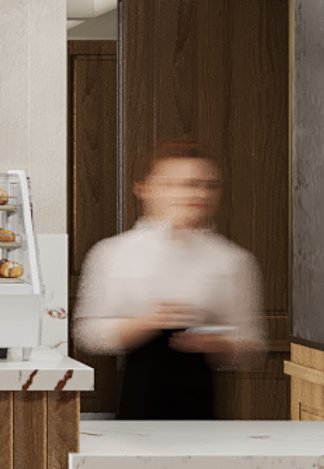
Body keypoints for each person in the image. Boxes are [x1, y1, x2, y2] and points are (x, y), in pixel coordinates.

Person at [72, 141, 265, 420]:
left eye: (207, 185)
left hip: (202, 408)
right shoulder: (112, 254)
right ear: (146, 189)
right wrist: (142, 324)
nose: (197, 193)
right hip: (137, 402)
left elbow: (254, 344)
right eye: (182, 184)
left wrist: (220, 344)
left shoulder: (233, 260)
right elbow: (87, 334)